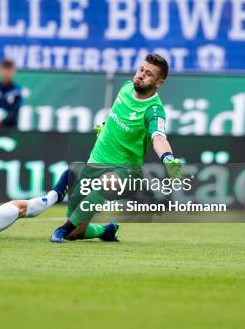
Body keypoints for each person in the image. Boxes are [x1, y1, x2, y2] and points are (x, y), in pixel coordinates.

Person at [50, 53, 183, 243]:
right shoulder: (126, 88)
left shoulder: (153, 110)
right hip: (95, 162)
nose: (141, 75)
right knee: (76, 233)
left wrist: (168, 158)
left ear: (159, 83)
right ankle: (104, 231)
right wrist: (105, 126)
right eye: (141, 70)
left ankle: (61, 230)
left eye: (149, 74)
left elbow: (158, 137)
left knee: (108, 182)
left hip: (125, 171)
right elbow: (117, 116)